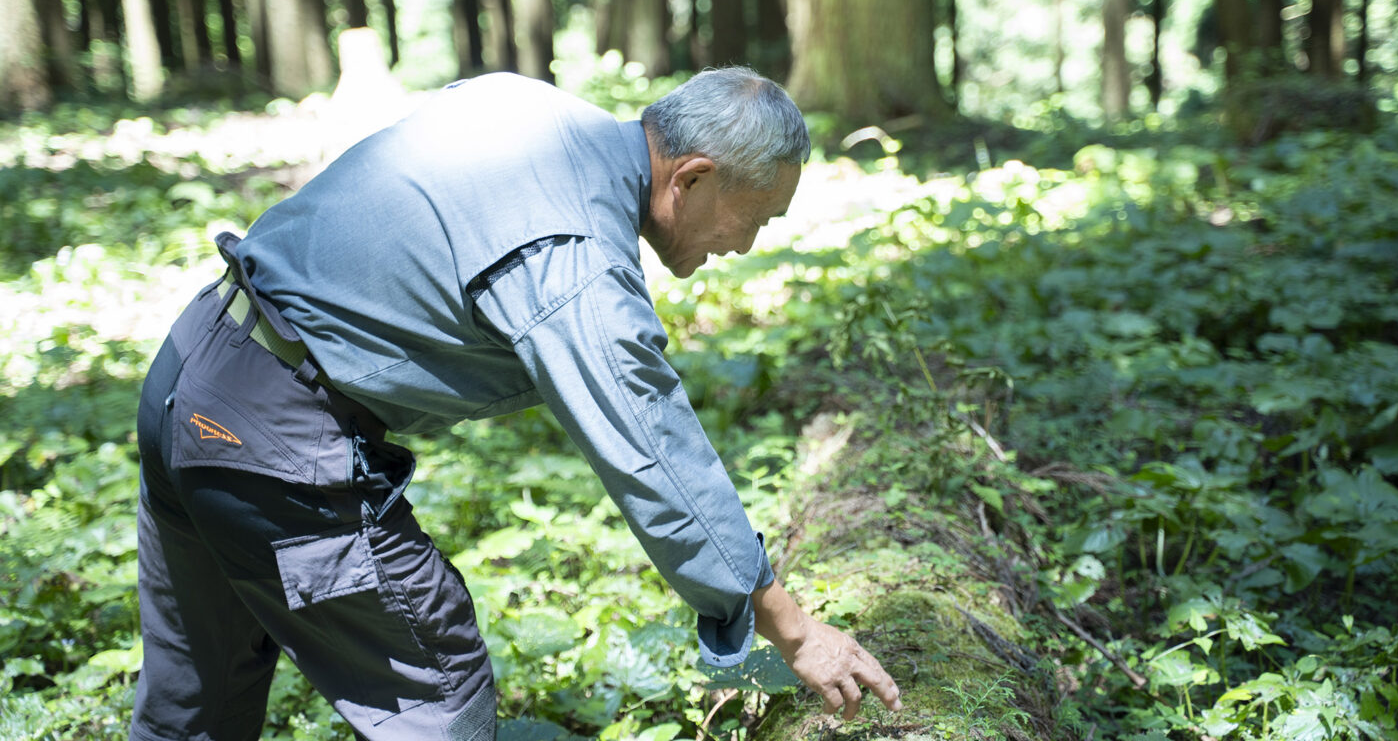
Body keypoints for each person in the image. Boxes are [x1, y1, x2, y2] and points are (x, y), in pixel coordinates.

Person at [129, 68, 902, 741]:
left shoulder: (529, 110)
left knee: (194, 706)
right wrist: (794, 631)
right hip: (267, 436)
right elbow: (653, 452)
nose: (746, 245)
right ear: (691, 177)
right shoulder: (576, 258)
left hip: (192, 373)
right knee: (437, 682)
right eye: (757, 218)